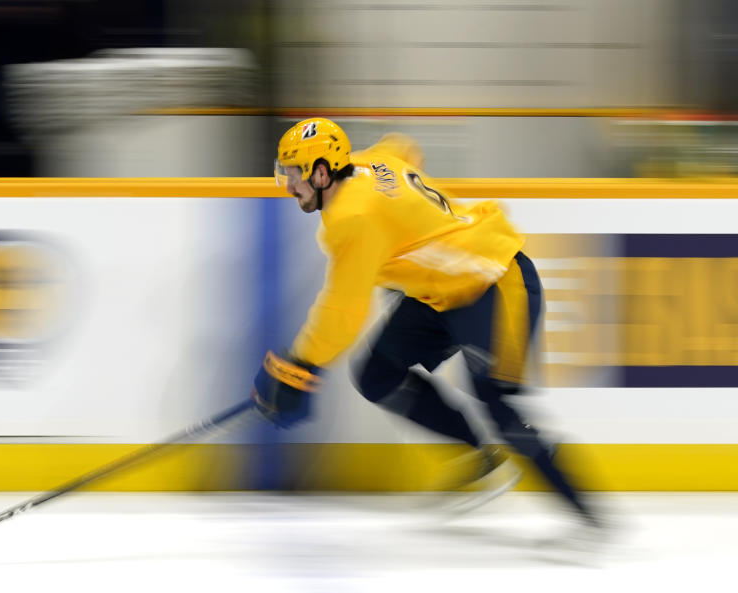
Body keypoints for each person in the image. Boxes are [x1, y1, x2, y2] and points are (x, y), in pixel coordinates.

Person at [252, 117, 601, 530]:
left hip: (496, 279)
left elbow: (343, 311)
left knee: (498, 403)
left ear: (323, 172)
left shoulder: (353, 217)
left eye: (294, 175)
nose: (289, 186)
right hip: (442, 291)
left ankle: (588, 517)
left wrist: (301, 365)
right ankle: (479, 456)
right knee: (377, 373)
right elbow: (401, 148)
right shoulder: (368, 162)